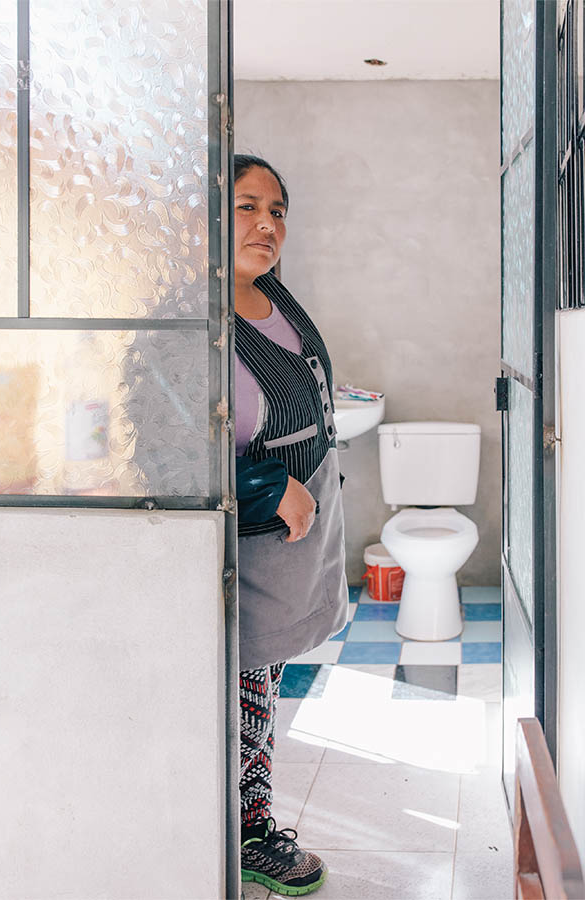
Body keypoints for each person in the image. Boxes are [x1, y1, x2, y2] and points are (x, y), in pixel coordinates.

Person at [234, 154, 348, 896]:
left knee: (264, 684)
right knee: (242, 686)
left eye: (277, 212)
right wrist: (267, 485)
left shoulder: (271, 298)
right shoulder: (190, 316)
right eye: (246, 206)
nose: (267, 224)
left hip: (292, 543)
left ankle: (251, 818)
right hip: (245, 548)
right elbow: (157, 444)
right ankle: (246, 832)